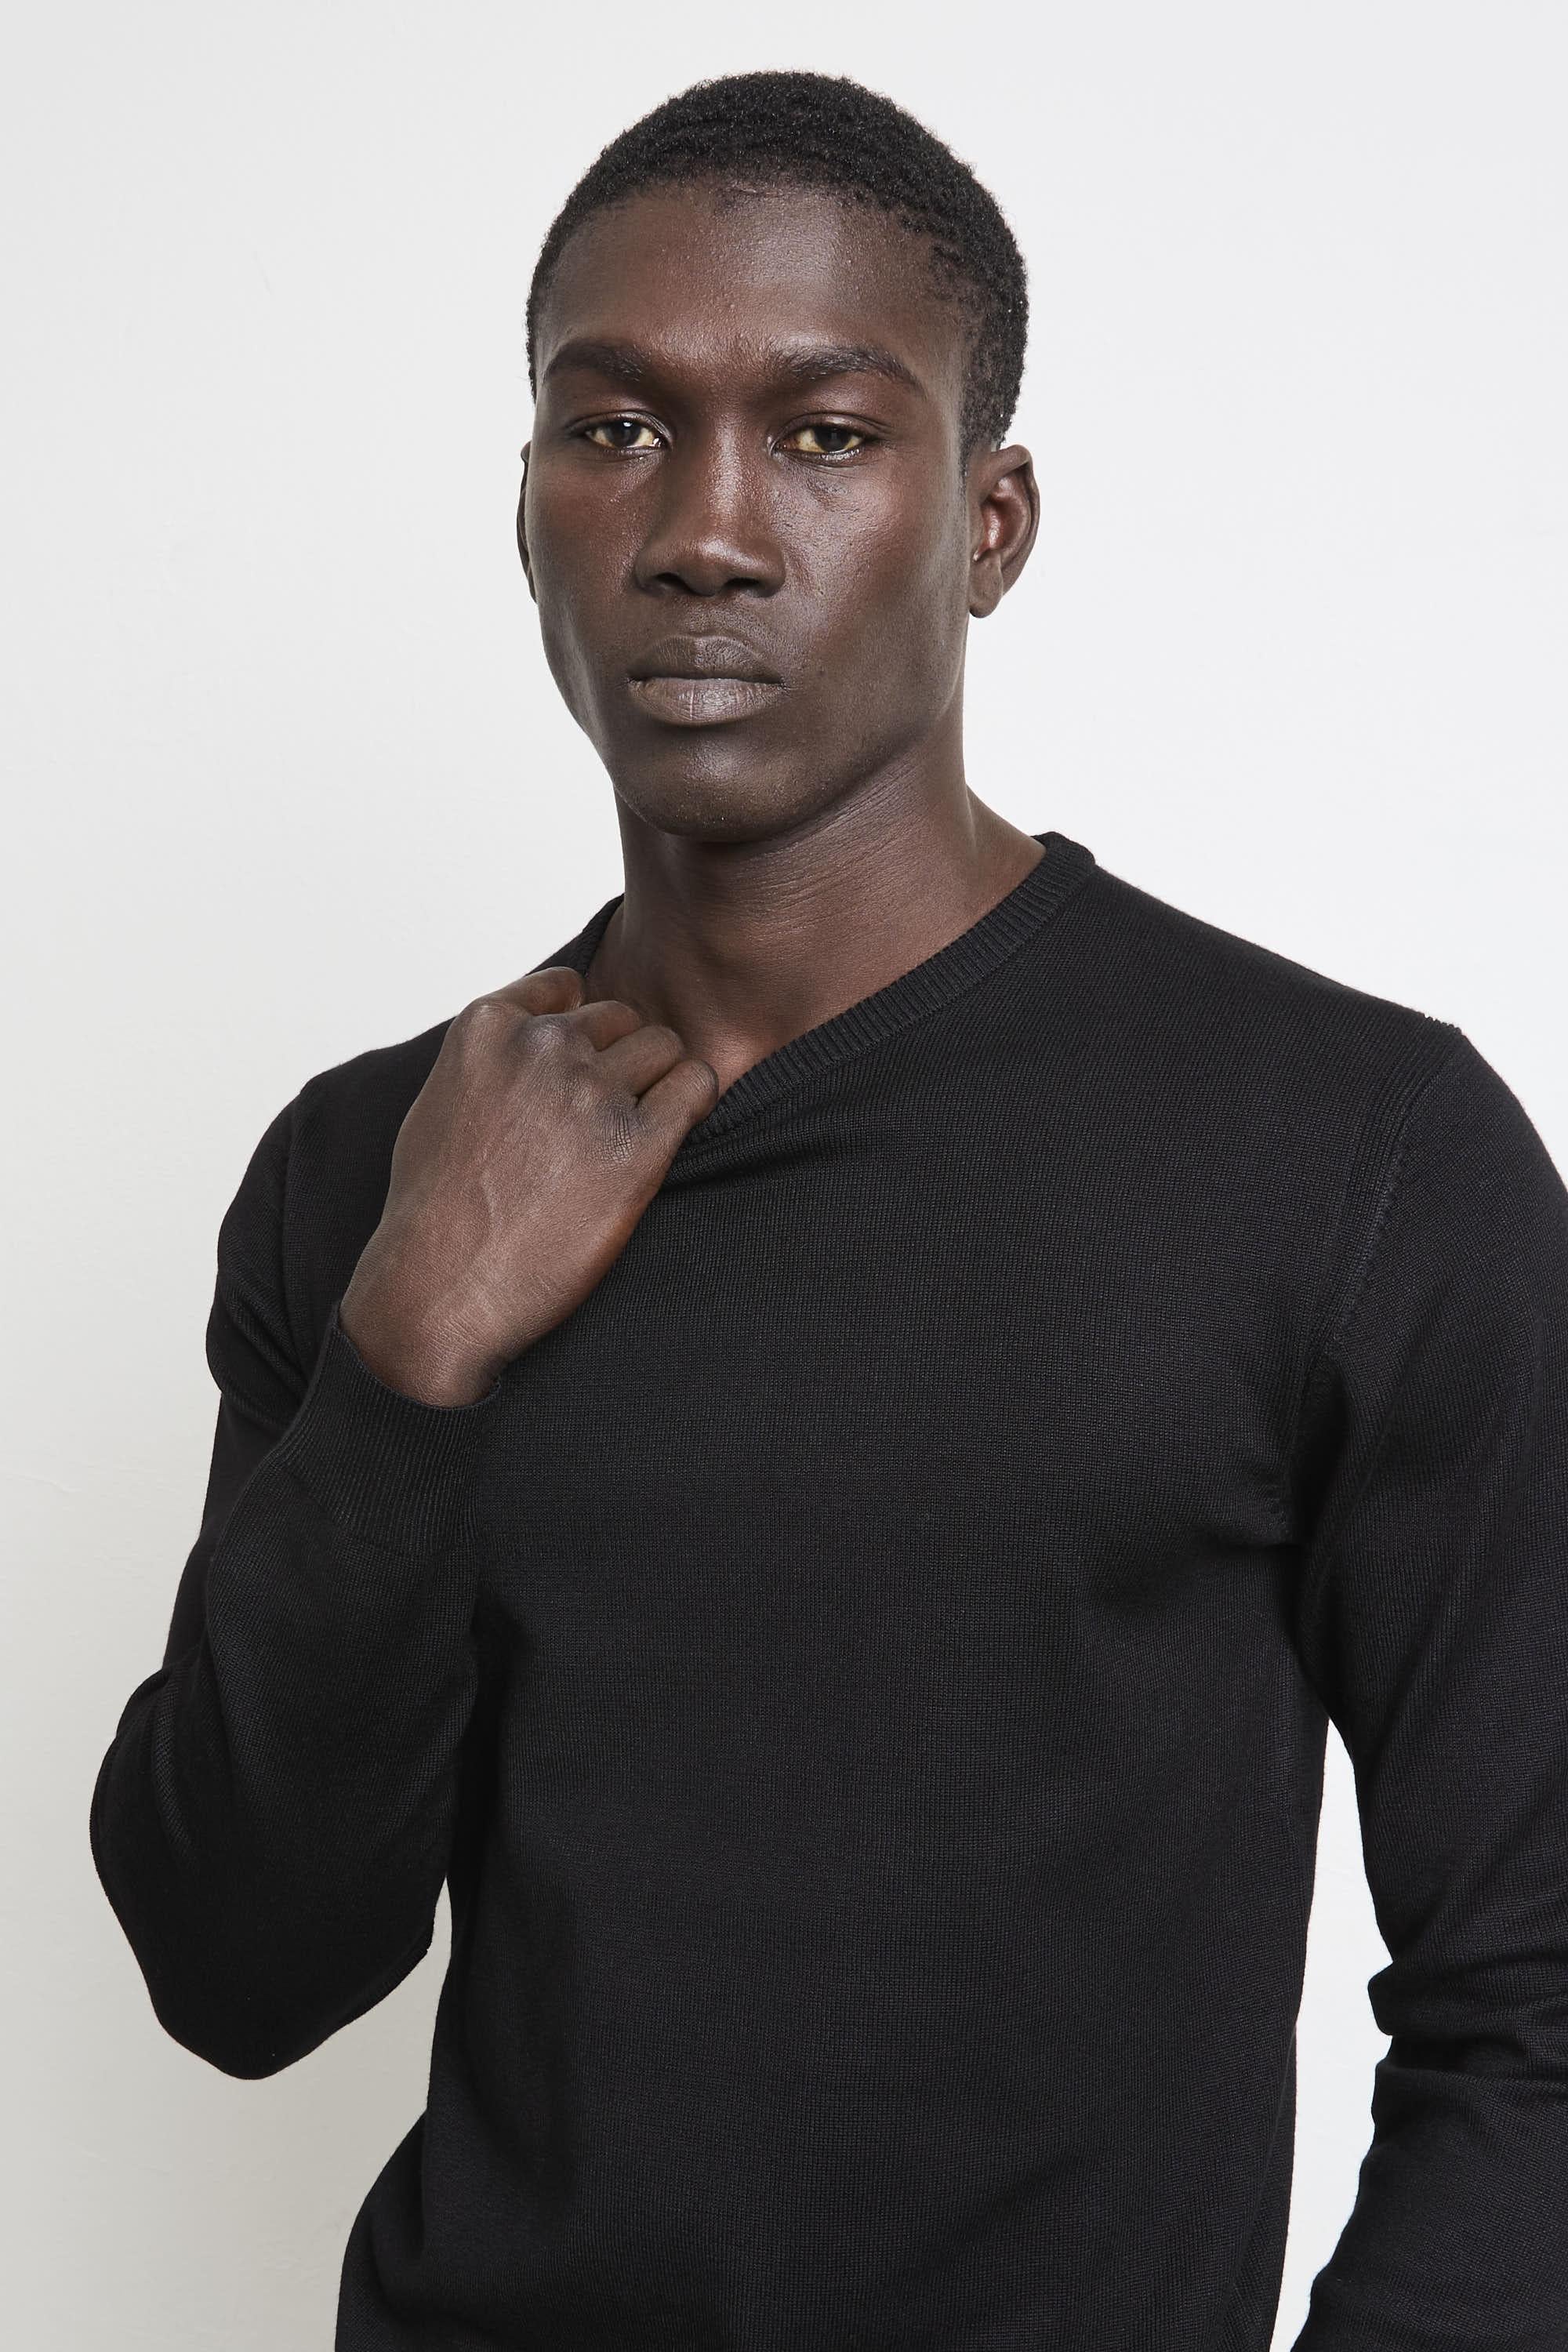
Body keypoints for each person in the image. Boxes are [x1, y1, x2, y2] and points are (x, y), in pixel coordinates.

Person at [90, 68, 1568, 2352]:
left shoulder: (1358, 1154)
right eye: (615, 430)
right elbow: (238, 1969)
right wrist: (407, 1359)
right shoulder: (371, 1171)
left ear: (990, 524)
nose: (706, 531)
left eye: (826, 435)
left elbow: (1538, 1999)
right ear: (526, 513)